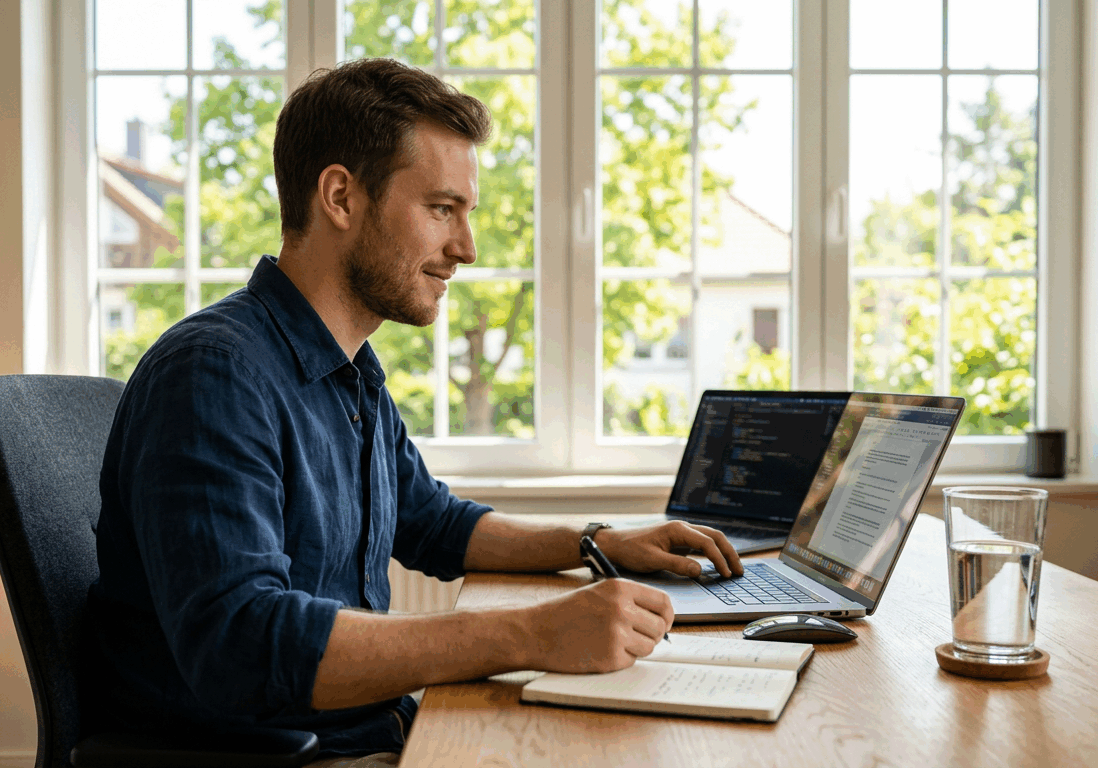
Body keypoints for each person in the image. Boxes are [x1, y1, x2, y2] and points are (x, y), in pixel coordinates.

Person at [83, 57, 742, 759]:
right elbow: (240, 643)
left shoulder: (350, 373)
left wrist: (599, 540)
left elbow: (433, 522)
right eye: (441, 209)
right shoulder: (216, 374)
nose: (465, 248)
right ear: (340, 197)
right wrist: (532, 632)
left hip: (368, 730)